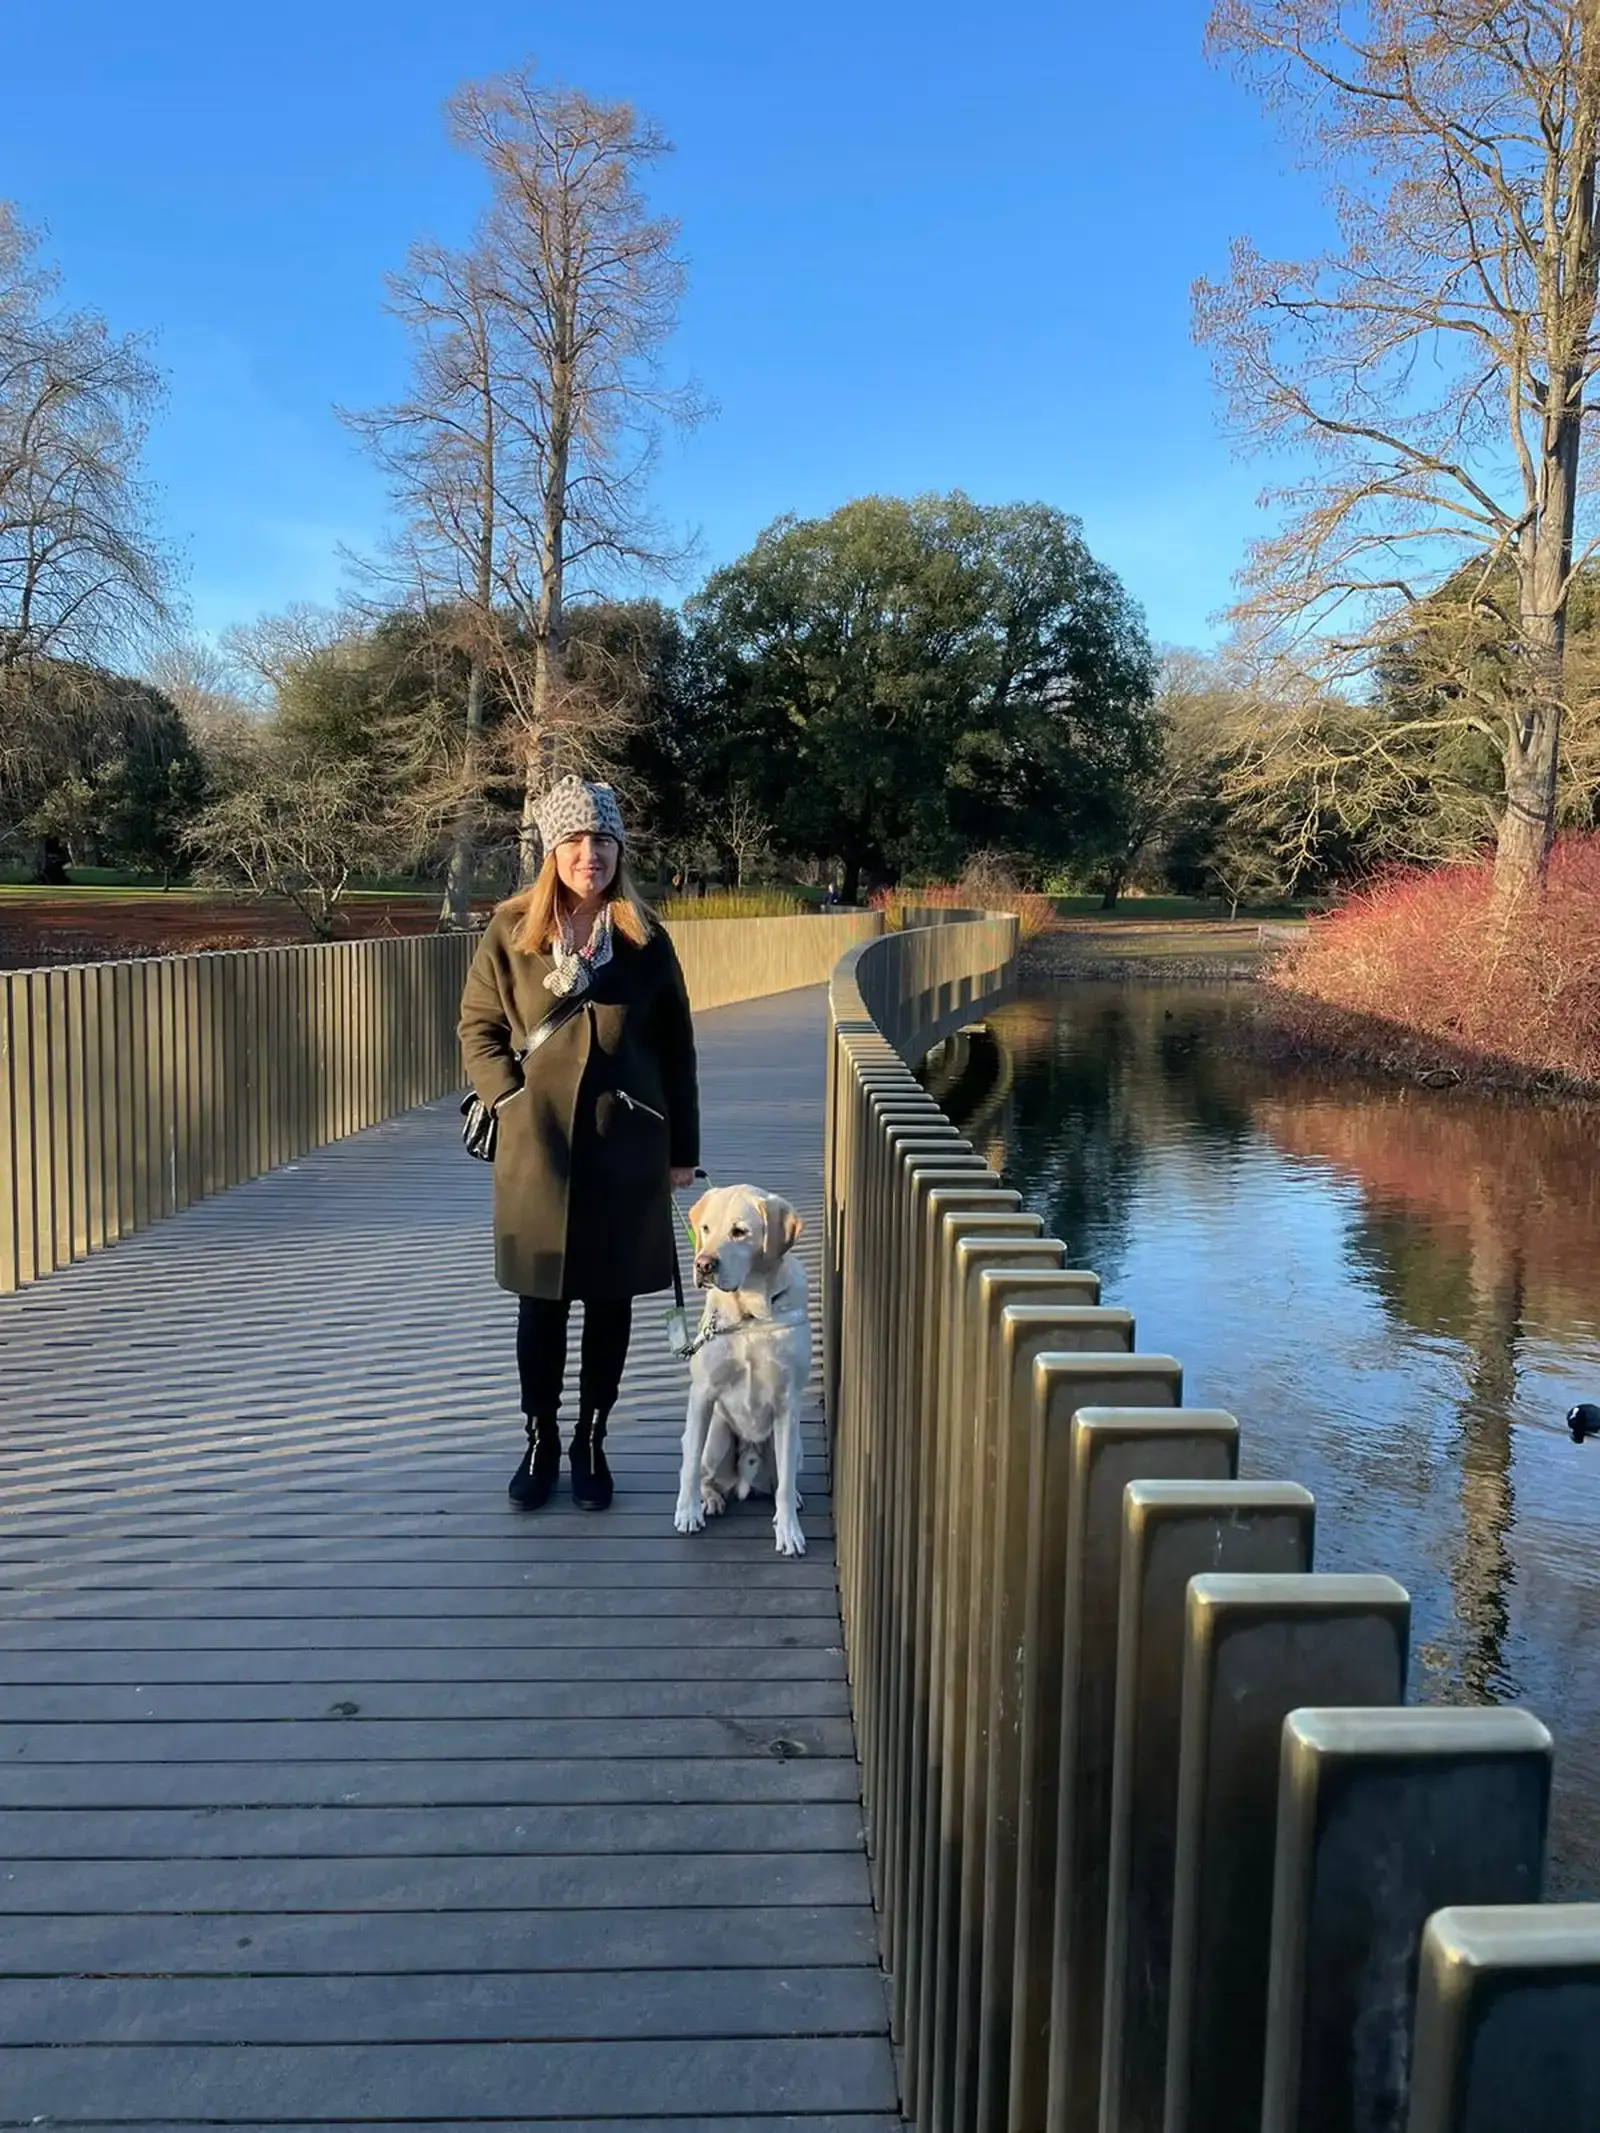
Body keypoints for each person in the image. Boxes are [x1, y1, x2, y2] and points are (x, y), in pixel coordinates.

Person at [458, 777, 699, 1512]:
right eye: (573, 840)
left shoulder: (646, 939)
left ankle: (592, 1438)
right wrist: (511, 1096)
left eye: (602, 840)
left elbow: (677, 1051)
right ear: (550, 850)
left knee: (611, 1302)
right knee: (542, 1302)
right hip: (539, 1149)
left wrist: (680, 1150)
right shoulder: (509, 930)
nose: (587, 854)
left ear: (619, 849)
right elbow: (479, 1027)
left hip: (628, 1146)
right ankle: (539, 1438)